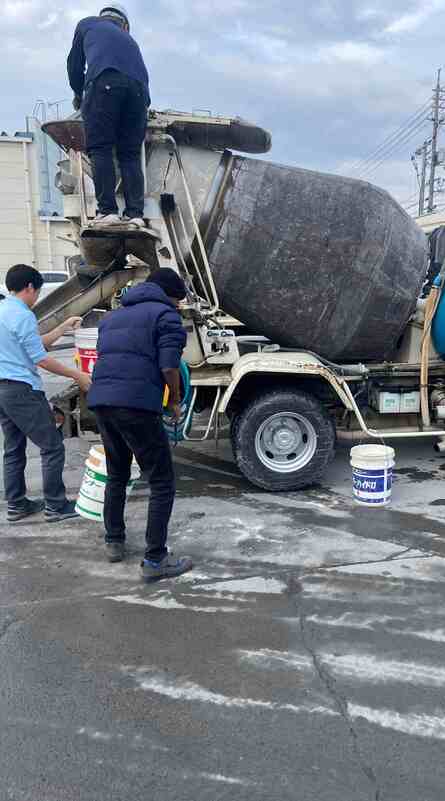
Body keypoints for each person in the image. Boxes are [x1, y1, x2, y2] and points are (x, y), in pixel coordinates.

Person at [87, 268, 193, 582]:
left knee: (117, 473)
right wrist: (174, 400)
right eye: (177, 301)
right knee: (161, 481)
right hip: (136, 405)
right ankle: (156, 559)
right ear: (171, 296)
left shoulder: (111, 318)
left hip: (102, 403)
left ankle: (114, 541)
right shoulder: (166, 317)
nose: (177, 307)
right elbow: (169, 366)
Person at [0, 264, 92, 523]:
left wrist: (64, 326)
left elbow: (35, 344)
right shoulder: (23, 315)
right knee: (52, 446)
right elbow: (40, 359)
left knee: (13, 448)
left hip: (3, 390)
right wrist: (78, 375)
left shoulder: (3, 310)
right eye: (37, 292)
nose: (36, 297)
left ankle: (17, 505)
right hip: (22, 390)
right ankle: (56, 505)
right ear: (29, 287)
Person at [67, 4, 150, 228]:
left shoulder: (87, 24)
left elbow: (75, 66)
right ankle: (135, 215)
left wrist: (79, 94)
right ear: (124, 25)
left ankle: (108, 212)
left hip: (105, 82)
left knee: (100, 147)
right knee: (130, 154)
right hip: (140, 94)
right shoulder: (130, 41)